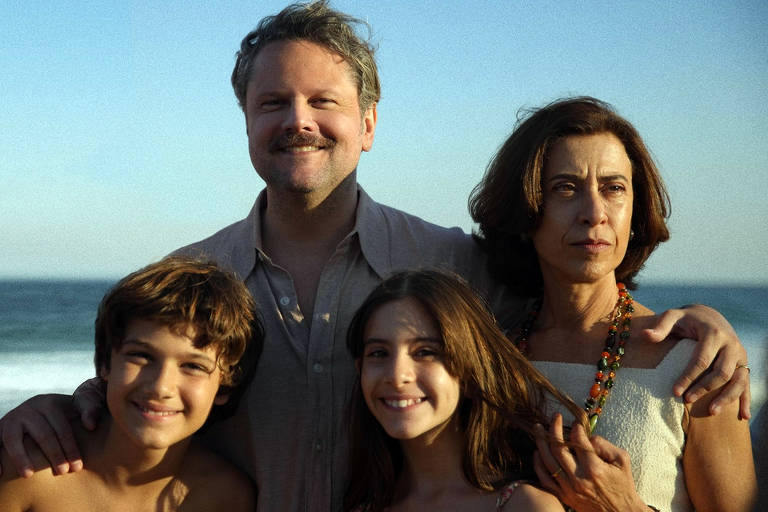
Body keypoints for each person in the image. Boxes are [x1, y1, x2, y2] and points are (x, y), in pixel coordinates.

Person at [0, 3, 751, 511]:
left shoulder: (461, 268)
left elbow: (577, 294)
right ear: (246, 123)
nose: (299, 122)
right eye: (273, 104)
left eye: (324, 102)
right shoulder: (192, 281)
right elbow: (140, 397)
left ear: (367, 124)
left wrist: (704, 328)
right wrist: (57, 408)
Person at [470, 96, 756, 511]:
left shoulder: (696, 364)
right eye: (565, 188)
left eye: (614, 188)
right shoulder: (490, 359)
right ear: (526, 206)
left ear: (635, 208)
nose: (594, 212)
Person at [0, 256, 263, 511]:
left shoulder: (225, 497)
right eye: (142, 356)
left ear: (226, 385)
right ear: (105, 363)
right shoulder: (28, 471)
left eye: (193, 366)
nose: (161, 387)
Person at [345, 269, 583, 511]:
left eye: (425, 352)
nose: (397, 376)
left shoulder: (523, 506)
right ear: (360, 368)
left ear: (470, 374)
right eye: (378, 353)